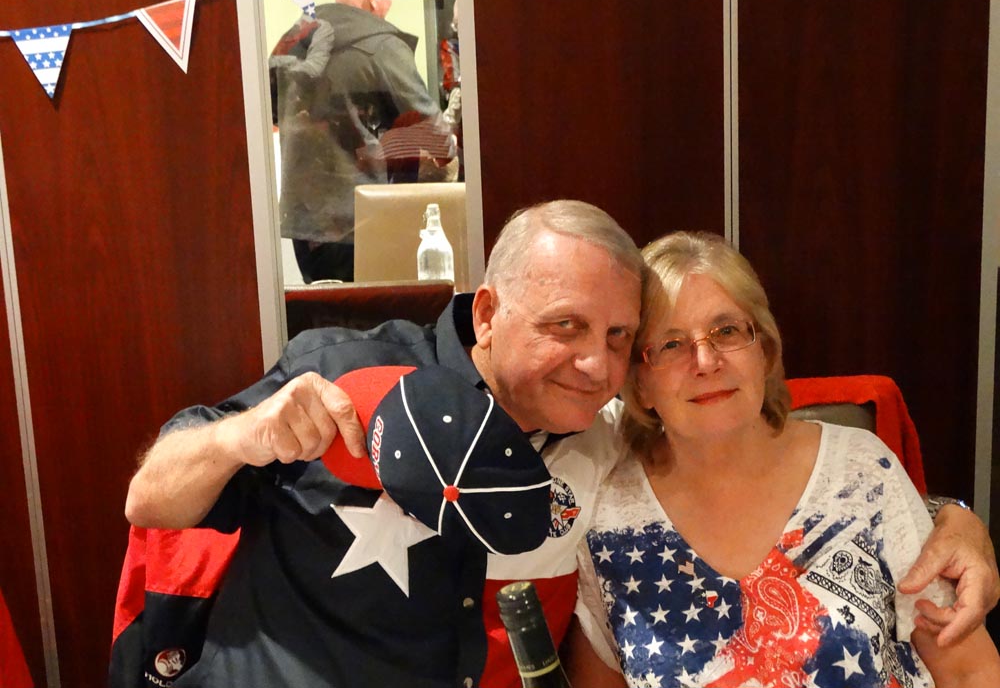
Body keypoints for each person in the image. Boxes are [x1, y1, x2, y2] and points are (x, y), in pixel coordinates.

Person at [124, 202, 998, 688]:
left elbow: (753, 456)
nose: (594, 365)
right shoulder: (346, 373)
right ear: (489, 312)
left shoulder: (597, 441)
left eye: (619, 337)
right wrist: (246, 436)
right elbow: (150, 499)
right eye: (565, 327)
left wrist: (953, 518)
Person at [566, 231, 1000, 687]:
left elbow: (969, 670)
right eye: (671, 344)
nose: (706, 361)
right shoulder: (606, 517)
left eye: (726, 331)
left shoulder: (862, 470)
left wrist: (961, 518)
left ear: (765, 352)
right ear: (639, 385)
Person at [271, 0, 442, 283]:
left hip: (305, 223)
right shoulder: (382, 45)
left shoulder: (294, 39)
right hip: (362, 219)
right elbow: (433, 131)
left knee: (325, 308)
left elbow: (273, 109)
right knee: (373, 310)